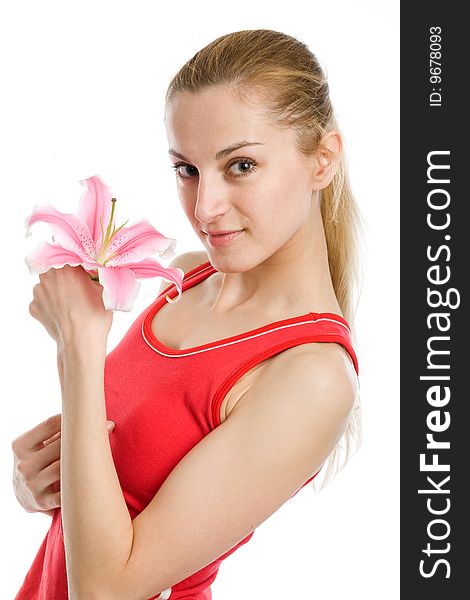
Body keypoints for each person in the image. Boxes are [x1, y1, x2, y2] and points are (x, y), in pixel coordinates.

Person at [12, 28, 364, 599]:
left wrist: (78, 351)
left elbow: (104, 591)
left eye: (241, 166)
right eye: (187, 169)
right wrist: (37, 486)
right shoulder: (185, 275)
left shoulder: (312, 376)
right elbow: (104, 499)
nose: (205, 208)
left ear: (322, 160)